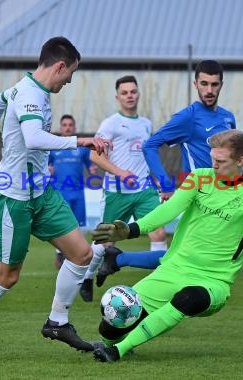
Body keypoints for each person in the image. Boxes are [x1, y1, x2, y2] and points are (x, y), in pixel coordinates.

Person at [96, 60, 243, 337]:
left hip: (226, 195)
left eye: (214, 84)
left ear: (221, 84)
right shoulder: (188, 117)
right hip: (199, 196)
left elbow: (233, 154)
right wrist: (165, 183)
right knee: (181, 259)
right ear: (195, 84)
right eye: (203, 83)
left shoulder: (228, 117)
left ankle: (118, 259)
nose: (209, 89)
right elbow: (151, 144)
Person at [0, 36, 111, 362]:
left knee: (81, 254)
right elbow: (33, 138)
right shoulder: (30, 95)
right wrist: (81, 141)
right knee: (7, 275)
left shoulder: (21, 89)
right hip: (14, 199)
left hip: (41, 192)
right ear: (59, 65)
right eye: (70, 74)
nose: (69, 81)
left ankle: (58, 321)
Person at [90, 130, 243, 362]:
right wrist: (131, 229)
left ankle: (119, 350)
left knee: (188, 298)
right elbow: (167, 211)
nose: (214, 165)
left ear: (240, 161)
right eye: (212, 159)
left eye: (221, 161)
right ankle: (110, 343)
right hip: (172, 271)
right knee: (110, 327)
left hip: (212, 283)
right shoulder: (199, 178)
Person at [79, 75, 168, 302]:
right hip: (117, 192)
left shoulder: (146, 124)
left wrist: (156, 178)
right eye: (125, 92)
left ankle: (161, 284)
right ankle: (88, 277)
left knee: (158, 232)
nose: (130, 95)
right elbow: (94, 156)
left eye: (133, 91)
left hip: (144, 191)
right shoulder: (110, 124)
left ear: (138, 94)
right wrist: (121, 173)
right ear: (117, 97)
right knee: (105, 242)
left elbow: (145, 156)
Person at [48, 114, 97, 270]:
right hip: (60, 193)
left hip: (78, 193)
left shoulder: (82, 149)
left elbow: (91, 166)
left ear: (74, 128)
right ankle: (60, 252)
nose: (68, 127)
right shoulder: (53, 148)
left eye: (70, 125)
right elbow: (47, 167)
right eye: (65, 125)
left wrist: (94, 169)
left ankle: (75, 254)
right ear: (61, 128)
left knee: (78, 226)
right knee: (63, 225)